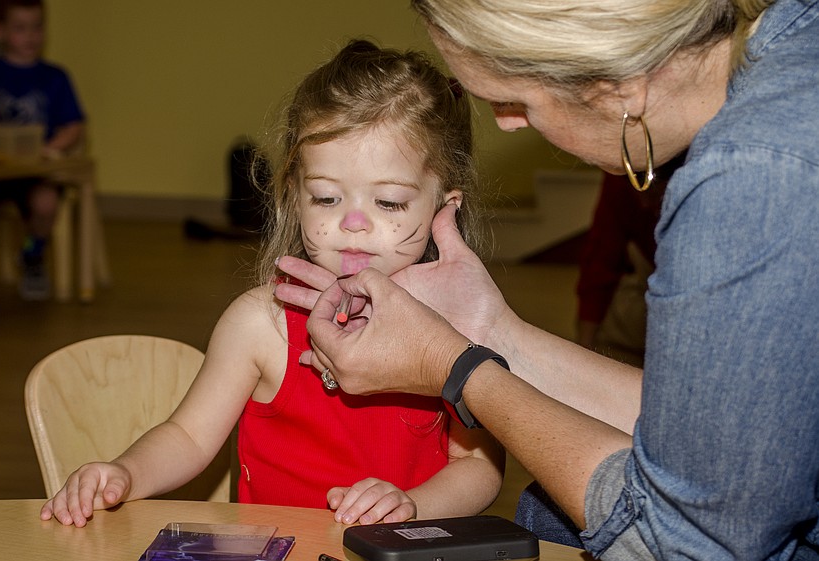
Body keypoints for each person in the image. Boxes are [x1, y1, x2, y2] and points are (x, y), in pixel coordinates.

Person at [275, 1, 819, 560]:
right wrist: (493, 330)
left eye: (516, 98)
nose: (508, 121)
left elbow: (691, 542)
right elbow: (726, 437)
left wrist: (457, 366)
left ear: (619, 80)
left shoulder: (755, 179)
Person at [39, 39, 503, 529]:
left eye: (388, 202)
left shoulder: (460, 326)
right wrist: (125, 473)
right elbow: (189, 436)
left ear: (445, 206)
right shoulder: (262, 324)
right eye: (325, 198)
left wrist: (413, 507)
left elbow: (479, 468)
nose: (352, 223)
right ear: (294, 195)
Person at [0, 0, 85, 300]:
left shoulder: (55, 77)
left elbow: (74, 126)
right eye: (20, 28)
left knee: (46, 203)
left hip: (34, 173)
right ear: (1, 31)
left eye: (37, 27)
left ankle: (33, 255)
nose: (30, 36)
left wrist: (48, 148)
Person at [576, 155, 682, 365]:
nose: (643, 204)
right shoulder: (618, 179)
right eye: (637, 192)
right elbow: (600, 262)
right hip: (652, 266)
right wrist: (584, 350)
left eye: (655, 193)